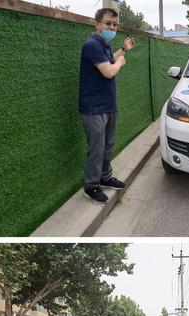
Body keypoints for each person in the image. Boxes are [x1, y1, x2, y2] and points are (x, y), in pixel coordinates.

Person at [79, 8, 136, 205]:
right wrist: (120, 61)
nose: (112, 27)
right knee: (96, 148)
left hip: (108, 106)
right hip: (94, 108)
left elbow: (109, 60)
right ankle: (91, 186)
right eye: (108, 23)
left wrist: (123, 50)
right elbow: (109, 71)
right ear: (97, 24)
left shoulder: (104, 44)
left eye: (114, 24)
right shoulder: (91, 45)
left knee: (107, 146)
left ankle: (105, 177)